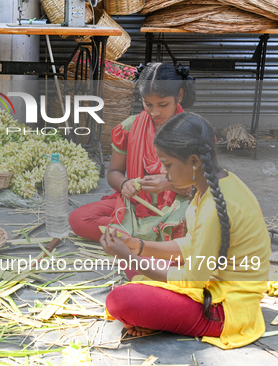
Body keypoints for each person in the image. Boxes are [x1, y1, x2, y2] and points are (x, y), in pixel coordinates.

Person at [100, 112, 270, 349]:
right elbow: (193, 245)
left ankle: (173, 318)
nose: (163, 171)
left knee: (119, 300)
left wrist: (126, 255)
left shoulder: (214, 206)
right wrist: (139, 246)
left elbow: (193, 279)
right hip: (210, 281)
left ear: (194, 161)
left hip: (226, 308)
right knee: (135, 266)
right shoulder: (215, 185)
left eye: (167, 164)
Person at [69, 63, 196, 242]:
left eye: (163, 104)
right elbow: (113, 173)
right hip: (136, 206)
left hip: (178, 206)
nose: (155, 112)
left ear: (179, 95)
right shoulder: (129, 127)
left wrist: (169, 184)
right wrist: (125, 184)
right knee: (79, 219)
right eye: (148, 104)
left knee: (209, 225)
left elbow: (205, 185)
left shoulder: (194, 131)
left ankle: (133, 238)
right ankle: (152, 237)